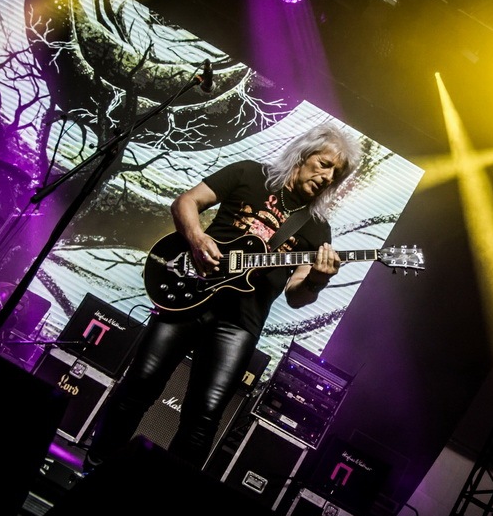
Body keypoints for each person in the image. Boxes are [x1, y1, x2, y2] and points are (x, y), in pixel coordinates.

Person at [83, 121, 363, 472]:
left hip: (239, 324)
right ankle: (96, 465)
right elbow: (185, 202)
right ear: (304, 154)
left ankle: (159, 496)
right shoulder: (249, 174)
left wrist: (319, 280)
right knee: (139, 384)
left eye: (336, 175)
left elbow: (296, 296)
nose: (328, 177)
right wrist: (197, 238)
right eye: (325, 164)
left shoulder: (317, 228)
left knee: (203, 419)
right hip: (188, 295)